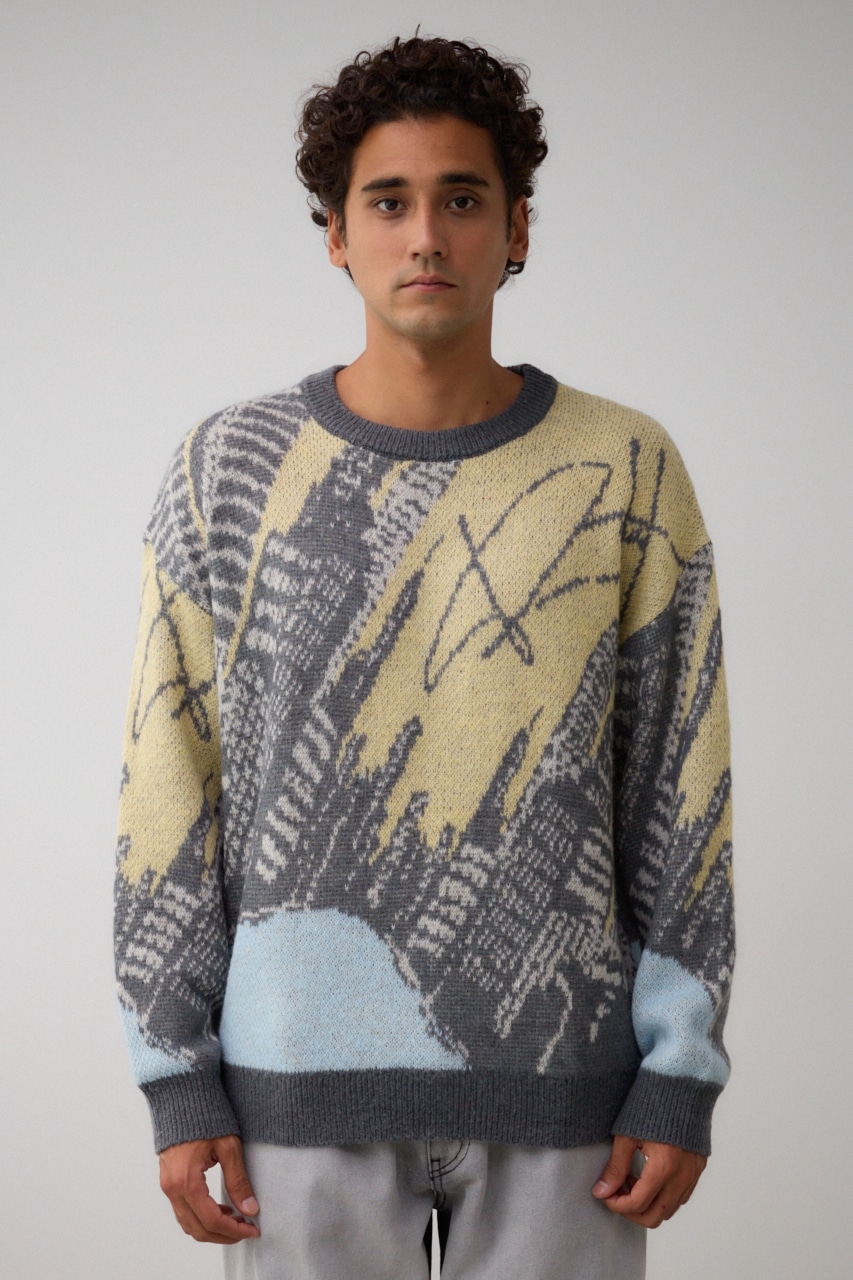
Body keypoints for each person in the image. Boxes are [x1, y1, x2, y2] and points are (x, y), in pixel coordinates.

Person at [114, 33, 734, 1280]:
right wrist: (176, 1074)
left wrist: (680, 1068)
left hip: (568, 1097)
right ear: (335, 235)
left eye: (461, 199)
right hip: (293, 1089)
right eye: (388, 202)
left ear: (516, 227)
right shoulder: (224, 470)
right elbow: (168, 786)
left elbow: (682, 782)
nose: (425, 237)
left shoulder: (627, 467)